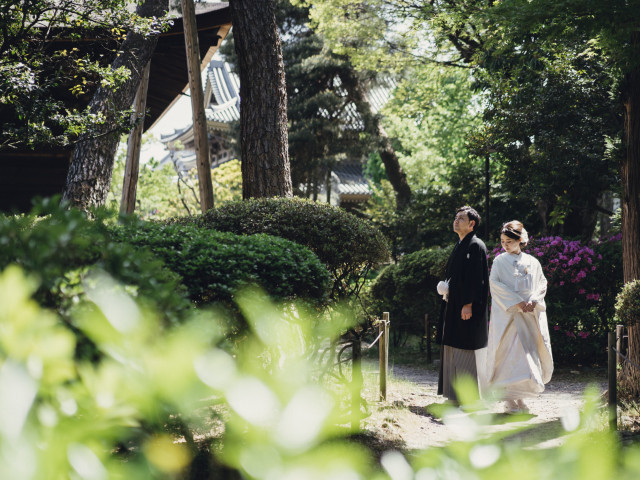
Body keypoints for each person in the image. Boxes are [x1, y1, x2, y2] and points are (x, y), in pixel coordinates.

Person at [486, 220, 553, 414]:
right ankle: (508, 399)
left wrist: (533, 299)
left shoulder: (532, 262)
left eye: (508, 241)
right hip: (510, 317)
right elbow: (495, 284)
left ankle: (521, 398)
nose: (504, 245)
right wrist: (516, 301)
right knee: (509, 356)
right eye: (502, 241)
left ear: (520, 240)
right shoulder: (499, 261)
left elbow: (542, 283)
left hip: (529, 315)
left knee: (527, 358)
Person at [436, 206, 489, 404]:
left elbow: (476, 279)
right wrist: (446, 287)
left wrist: (468, 304)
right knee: (452, 345)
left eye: (461, 218)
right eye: (455, 217)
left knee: (466, 348)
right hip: (453, 303)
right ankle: (454, 395)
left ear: (472, 224)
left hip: (467, 307)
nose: (456, 221)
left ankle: (470, 398)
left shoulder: (476, 245)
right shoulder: (459, 244)